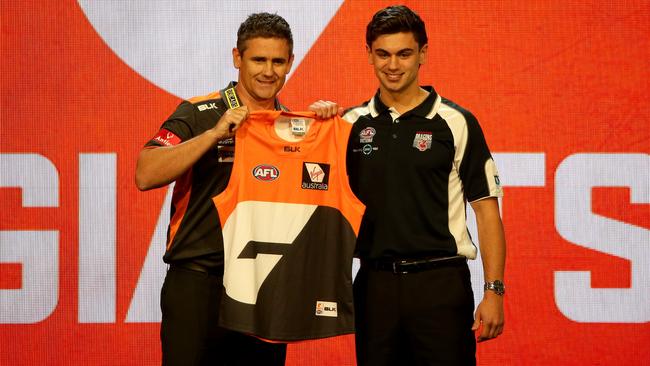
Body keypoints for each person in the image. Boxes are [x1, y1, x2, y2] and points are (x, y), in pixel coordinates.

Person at [135, 12, 333, 366]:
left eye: (277, 61)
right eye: (258, 59)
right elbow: (145, 173)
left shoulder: (296, 128)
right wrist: (212, 135)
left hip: (263, 287)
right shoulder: (200, 113)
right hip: (198, 284)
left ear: (290, 62)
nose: (268, 71)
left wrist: (327, 126)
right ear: (237, 58)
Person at [342, 5, 506, 366]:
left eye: (404, 53)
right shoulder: (348, 124)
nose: (393, 65)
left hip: (441, 285)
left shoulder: (456, 121)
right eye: (383, 54)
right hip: (374, 286)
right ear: (368, 54)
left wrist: (493, 290)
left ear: (423, 54)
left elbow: (486, 211)